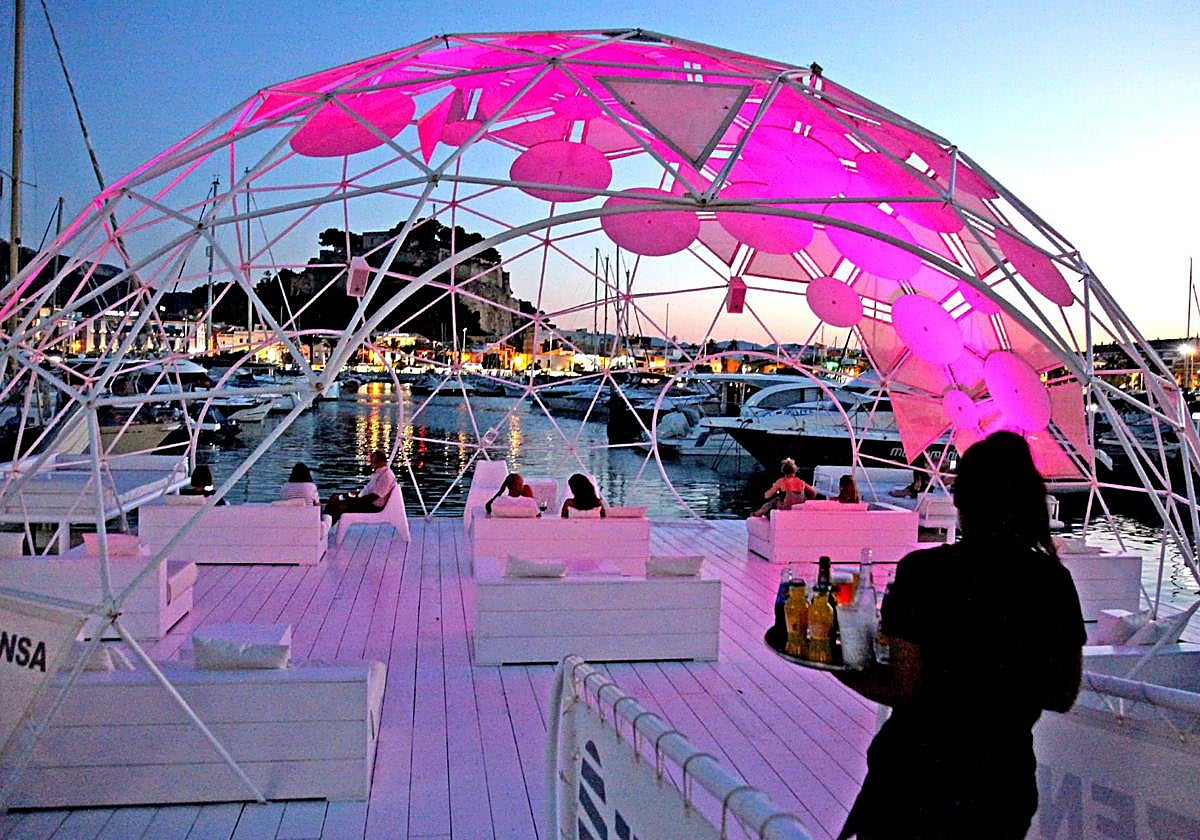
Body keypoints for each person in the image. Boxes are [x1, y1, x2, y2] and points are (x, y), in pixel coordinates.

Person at [833, 431, 1085, 839]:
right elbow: (1062, 693)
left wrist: (835, 663)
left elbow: (901, 686)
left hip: (914, 782)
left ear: (961, 500)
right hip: (1000, 786)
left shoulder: (924, 573)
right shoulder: (1052, 582)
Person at [323, 450, 397, 524]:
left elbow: (373, 497)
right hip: (364, 500)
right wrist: (349, 496)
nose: (371, 465)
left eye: (373, 462)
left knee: (340, 505)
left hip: (372, 506)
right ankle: (323, 523)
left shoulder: (386, 476)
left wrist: (353, 500)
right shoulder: (379, 473)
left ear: (381, 462)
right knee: (335, 498)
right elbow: (368, 491)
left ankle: (326, 525)